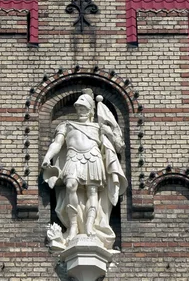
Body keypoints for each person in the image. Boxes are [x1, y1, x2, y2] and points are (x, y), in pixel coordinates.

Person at [42, 89, 127, 250]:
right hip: (73, 158)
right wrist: (47, 157)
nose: (81, 111)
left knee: (92, 192)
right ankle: (73, 226)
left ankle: (89, 226)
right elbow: (57, 144)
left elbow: (118, 146)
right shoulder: (66, 125)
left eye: (84, 108)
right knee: (70, 186)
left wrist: (109, 133)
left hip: (93, 158)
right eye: (79, 108)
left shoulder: (98, 127)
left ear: (90, 111)